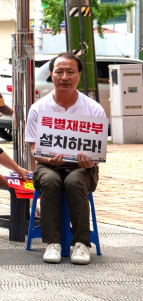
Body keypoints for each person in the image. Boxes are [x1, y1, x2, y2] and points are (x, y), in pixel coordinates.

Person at [24, 53, 105, 266]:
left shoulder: (93, 109)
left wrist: (91, 161)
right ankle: (53, 243)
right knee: (51, 180)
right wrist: (49, 160)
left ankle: (81, 244)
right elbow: (33, 150)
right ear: (51, 75)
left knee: (74, 181)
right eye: (59, 72)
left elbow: (97, 151)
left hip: (82, 168)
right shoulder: (38, 109)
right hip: (47, 166)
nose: (64, 77)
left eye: (70, 72)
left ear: (79, 75)